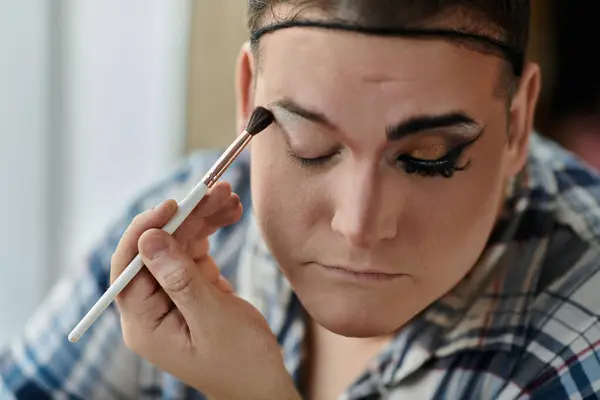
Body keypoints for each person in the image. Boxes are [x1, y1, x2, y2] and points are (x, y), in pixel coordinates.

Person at [2, 0, 600, 398]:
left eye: (428, 157)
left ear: (518, 124)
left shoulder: (582, 338)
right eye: (309, 146)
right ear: (249, 98)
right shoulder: (193, 229)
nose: (359, 224)